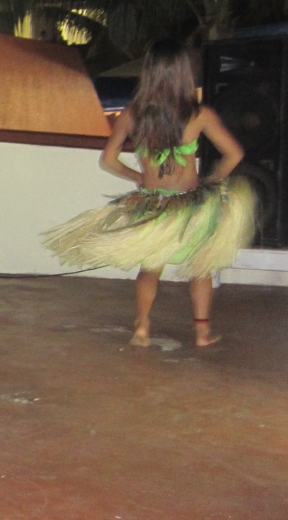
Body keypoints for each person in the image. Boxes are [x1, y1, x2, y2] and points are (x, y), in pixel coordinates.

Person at [42, 39, 255, 347]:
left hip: (154, 205)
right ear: (183, 74)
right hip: (191, 208)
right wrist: (211, 182)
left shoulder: (132, 114)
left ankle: (141, 328)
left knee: (150, 270)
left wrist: (139, 178)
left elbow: (108, 160)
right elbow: (234, 153)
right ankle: (202, 333)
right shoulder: (200, 115)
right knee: (201, 269)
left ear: (149, 73)